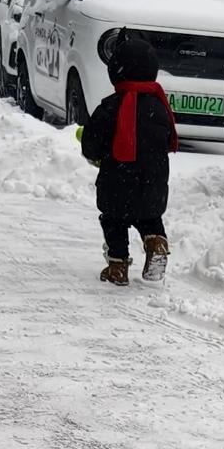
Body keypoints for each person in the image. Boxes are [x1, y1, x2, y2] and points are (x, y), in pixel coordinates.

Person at [78, 28, 177, 284]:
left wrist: (95, 152)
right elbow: (166, 140)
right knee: (149, 218)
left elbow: (92, 142)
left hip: (117, 180)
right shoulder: (160, 107)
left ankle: (118, 266)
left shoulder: (111, 106)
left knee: (114, 221)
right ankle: (156, 243)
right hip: (153, 182)